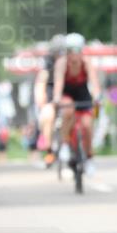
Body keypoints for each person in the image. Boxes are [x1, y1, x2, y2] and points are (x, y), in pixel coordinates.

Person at [51, 33, 102, 175]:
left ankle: (89, 157)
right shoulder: (61, 63)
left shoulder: (87, 62)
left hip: (82, 93)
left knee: (87, 125)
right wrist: (56, 98)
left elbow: (94, 81)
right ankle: (65, 144)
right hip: (67, 93)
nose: (74, 56)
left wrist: (97, 96)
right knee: (68, 110)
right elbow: (59, 83)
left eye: (77, 51)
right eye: (70, 51)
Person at [36, 35, 65, 166]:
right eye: (57, 52)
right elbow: (42, 79)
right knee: (47, 116)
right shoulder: (47, 62)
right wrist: (40, 97)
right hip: (51, 91)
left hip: (68, 90)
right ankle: (49, 150)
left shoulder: (72, 60)